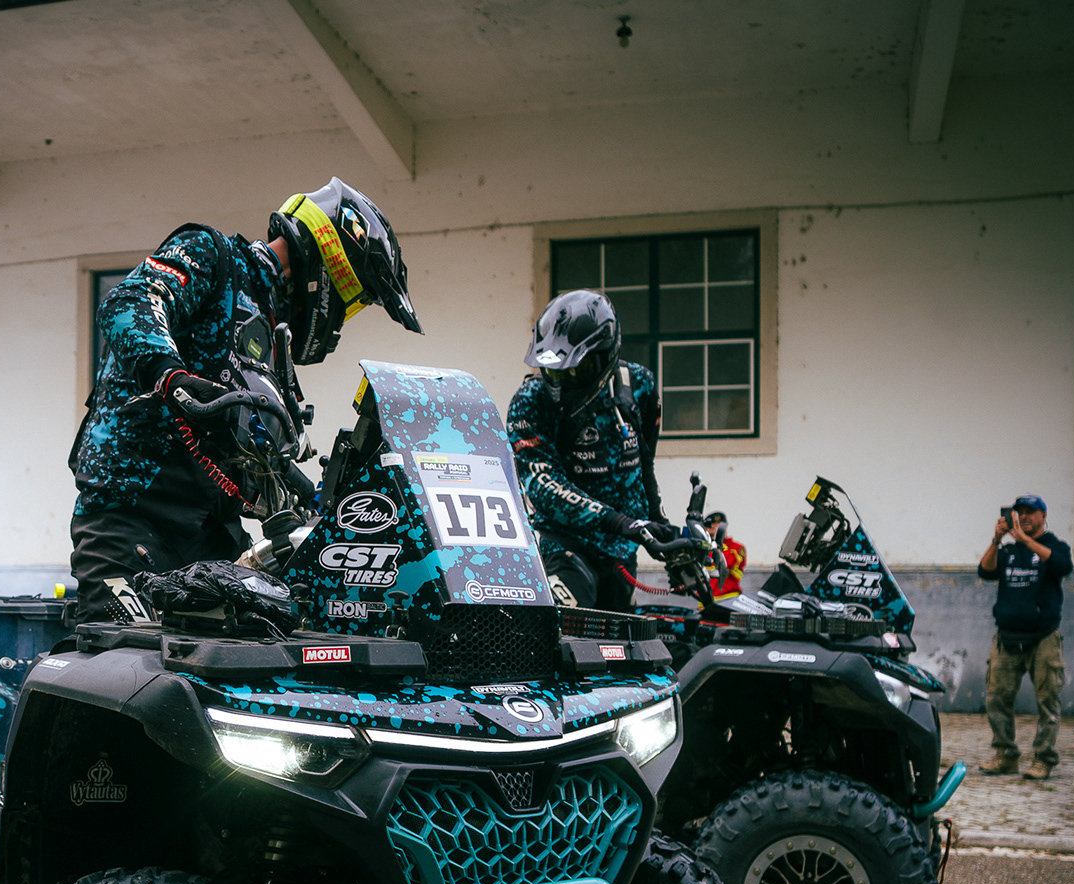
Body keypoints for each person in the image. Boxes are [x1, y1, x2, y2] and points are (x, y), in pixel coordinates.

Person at [67, 178, 421, 622]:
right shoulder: (212, 256)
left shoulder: (272, 348)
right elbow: (131, 300)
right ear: (331, 269)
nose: (341, 320)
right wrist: (170, 375)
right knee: (125, 653)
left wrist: (328, 512)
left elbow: (271, 466)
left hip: (215, 539)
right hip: (132, 524)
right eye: (352, 302)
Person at [507, 290, 670, 613]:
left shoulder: (640, 385)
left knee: (621, 641)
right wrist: (620, 522)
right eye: (553, 373)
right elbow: (543, 486)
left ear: (606, 356)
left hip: (623, 551)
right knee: (568, 636)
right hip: (565, 546)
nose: (561, 386)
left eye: (574, 371)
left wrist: (659, 528)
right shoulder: (530, 400)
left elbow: (643, 464)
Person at [975, 494, 1073, 779]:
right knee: (997, 698)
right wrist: (996, 540)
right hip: (1007, 636)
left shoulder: (1055, 546)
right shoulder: (1008, 551)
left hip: (1043, 637)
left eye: (1031, 512)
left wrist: (1027, 541)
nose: (1024, 517)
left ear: (1044, 516)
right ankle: (1005, 755)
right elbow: (985, 571)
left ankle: (1043, 758)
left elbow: (1063, 566)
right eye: (1020, 512)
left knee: (1048, 700)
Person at [705, 510, 745, 602]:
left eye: (718, 527)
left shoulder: (736, 547)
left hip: (729, 600)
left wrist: (718, 540)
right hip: (705, 601)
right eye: (710, 526)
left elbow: (727, 562)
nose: (712, 529)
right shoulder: (704, 548)